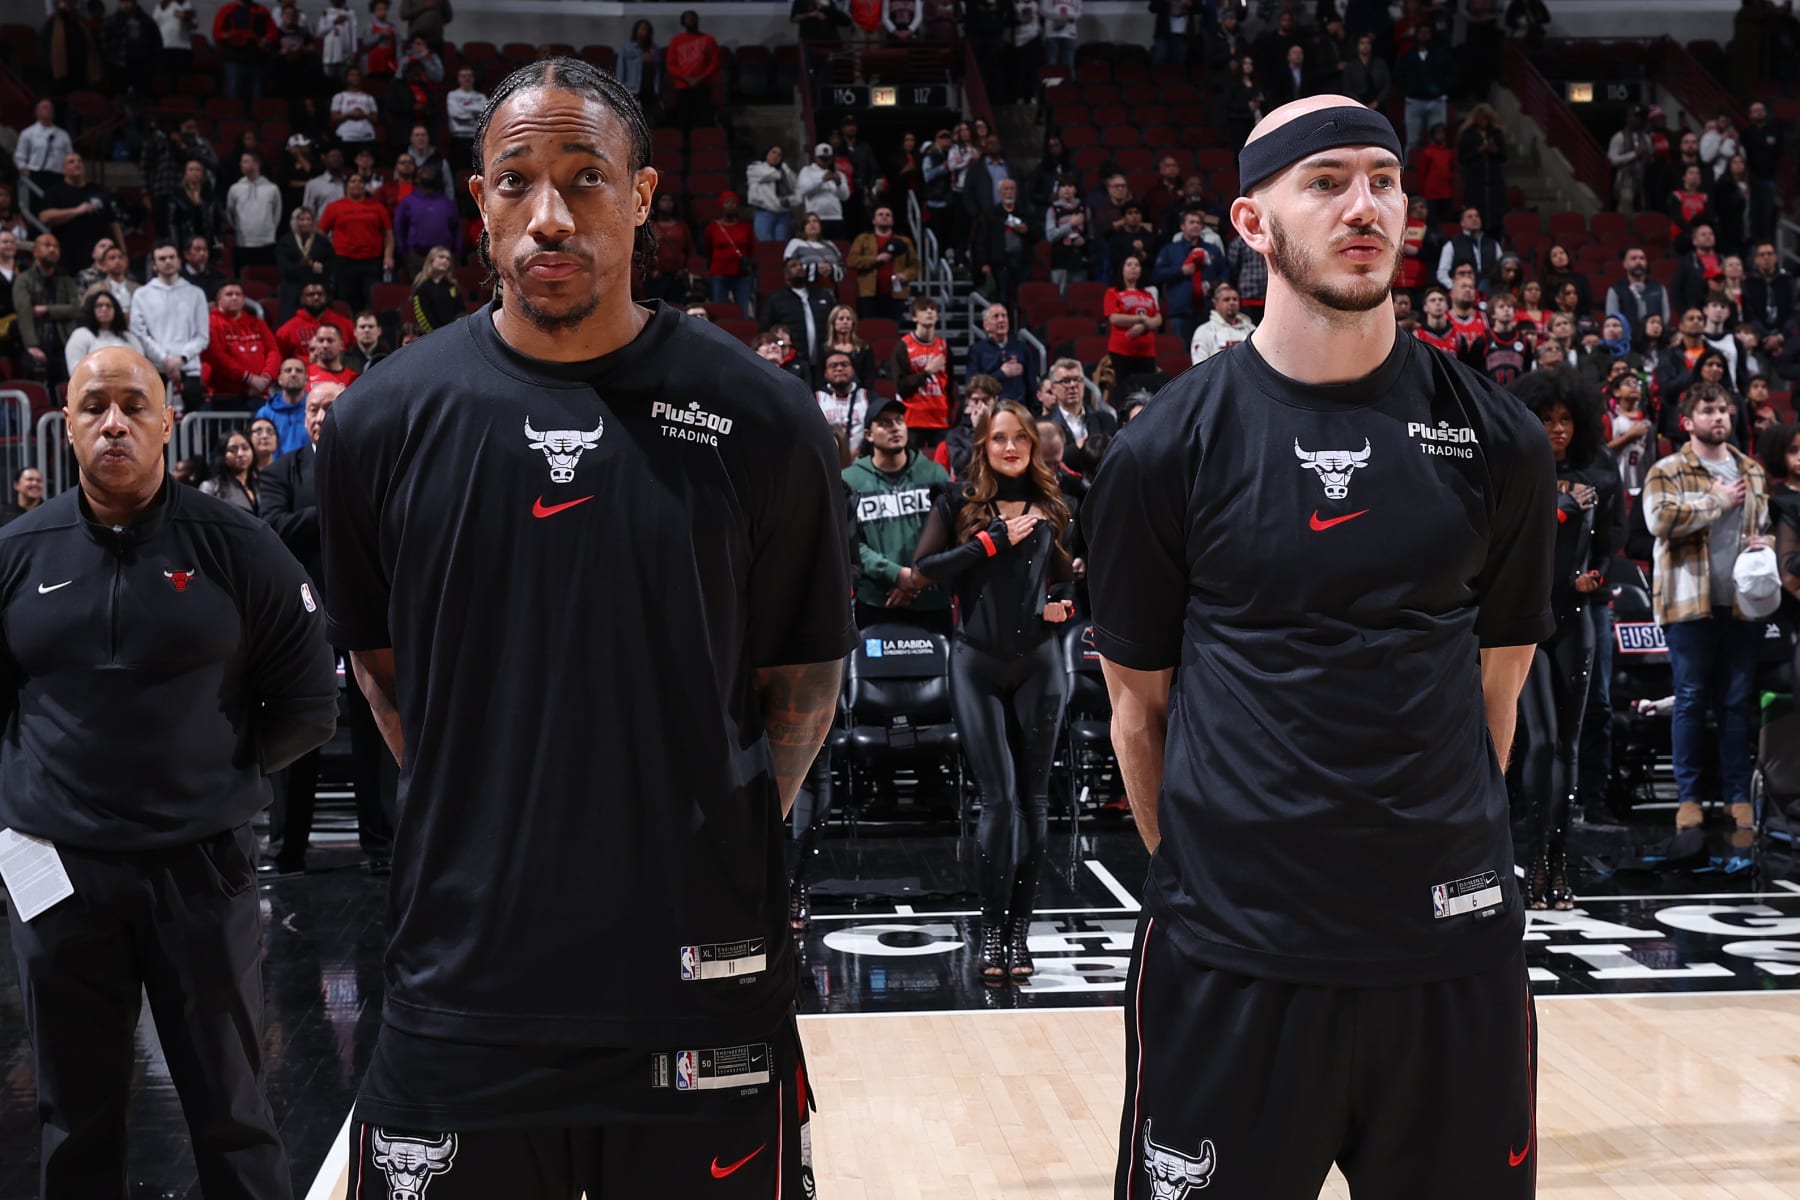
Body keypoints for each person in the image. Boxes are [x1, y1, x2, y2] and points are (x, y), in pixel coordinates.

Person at [315, 57, 851, 1198]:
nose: (549, 214)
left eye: (586, 177)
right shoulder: (379, 424)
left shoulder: (762, 417)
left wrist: (691, 824)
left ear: (645, 194)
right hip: (461, 987)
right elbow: (387, 680)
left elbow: (798, 694)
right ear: (480, 200)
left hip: (696, 986)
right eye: (517, 181)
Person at [1084, 96, 1553, 1199]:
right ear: (1253, 222)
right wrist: (1214, 885)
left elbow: (1500, 689)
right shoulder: (1162, 451)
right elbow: (1139, 712)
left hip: (1450, 962)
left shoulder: (1498, 439)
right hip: (1232, 967)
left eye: (1385, 181)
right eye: (1328, 180)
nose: (1366, 207)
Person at [0, 345, 336, 1200]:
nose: (114, 422)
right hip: (58, 877)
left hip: (200, 868)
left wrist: (211, 779)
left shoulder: (240, 547)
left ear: (168, 419)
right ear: (67, 425)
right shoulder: (17, 553)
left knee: (232, 1108)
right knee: (74, 1119)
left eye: (133, 405)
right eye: (93, 407)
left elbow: (308, 704)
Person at [911, 399, 1074, 981]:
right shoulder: (957, 501)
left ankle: (1018, 939)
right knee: (998, 800)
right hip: (975, 663)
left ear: (1033, 446)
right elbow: (923, 570)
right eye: (1000, 438)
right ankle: (988, 937)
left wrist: (1067, 603)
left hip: (1041, 663)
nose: (1010, 448)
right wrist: (990, 542)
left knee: (1032, 801)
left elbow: (1070, 575)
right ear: (983, 444)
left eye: (1021, 439)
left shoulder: (1054, 505)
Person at [261, 379, 395, 875]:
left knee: (376, 727)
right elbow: (273, 528)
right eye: (314, 407)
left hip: (368, 609)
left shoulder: (379, 467)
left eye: (331, 407)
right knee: (299, 729)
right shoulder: (281, 471)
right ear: (304, 417)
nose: (320, 415)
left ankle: (383, 847)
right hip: (301, 617)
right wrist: (339, 509)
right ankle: (287, 850)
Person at [1642, 380, 1773, 833]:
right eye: (1709, 411)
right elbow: (1660, 520)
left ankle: (1738, 797)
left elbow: (1766, 525)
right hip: (1687, 606)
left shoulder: (1752, 470)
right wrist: (1716, 500)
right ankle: (1690, 799)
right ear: (1687, 421)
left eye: (1725, 411)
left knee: (1737, 705)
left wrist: (1765, 542)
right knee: (1691, 702)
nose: (1720, 417)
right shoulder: (1667, 469)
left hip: (1740, 606)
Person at [1509, 368, 1616, 910]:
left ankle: (1557, 864)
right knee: (1542, 741)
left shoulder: (1601, 472)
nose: (1557, 428)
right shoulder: (1514, 470)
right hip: (1527, 620)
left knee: (1568, 746)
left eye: (1566, 419)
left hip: (1578, 620)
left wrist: (1596, 578)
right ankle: (1531, 862)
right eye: (1547, 419)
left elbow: (1611, 548)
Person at [845, 394, 954, 633]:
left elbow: (950, 535)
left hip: (931, 601)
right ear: (868, 435)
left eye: (899, 421)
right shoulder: (850, 480)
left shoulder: (934, 474)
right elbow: (851, 542)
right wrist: (896, 575)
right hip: (877, 600)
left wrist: (914, 580)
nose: (895, 428)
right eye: (884, 422)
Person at [128, 240, 209, 414]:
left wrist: (181, 358)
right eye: (162, 258)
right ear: (154, 265)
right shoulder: (142, 295)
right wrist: (164, 359)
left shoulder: (196, 293)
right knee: (156, 429)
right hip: (156, 369)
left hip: (189, 369)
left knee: (192, 428)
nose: (167, 262)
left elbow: (202, 336)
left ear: (179, 261)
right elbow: (139, 333)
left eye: (172, 257)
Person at [318, 172, 396, 312]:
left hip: (372, 261)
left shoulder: (377, 207)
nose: (357, 184)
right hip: (344, 261)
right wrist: (328, 254)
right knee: (346, 300)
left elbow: (388, 234)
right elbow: (320, 233)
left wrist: (388, 256)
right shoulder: (334, 207)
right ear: (346, 186)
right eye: (352, 181)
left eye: (360, 181)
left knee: (372, 299)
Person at [38, 153, 125, 277]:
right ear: (63, 169)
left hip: (99, 253)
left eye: (79, 161)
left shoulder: (98, 190)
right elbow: (44, 217)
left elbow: (113, 222)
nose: (76, 164)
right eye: (71, 162)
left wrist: (123, 250)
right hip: (69, 253)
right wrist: (76, 211)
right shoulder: (55, 191)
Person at [892, 295, 954, 450]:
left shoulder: (943, 346)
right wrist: (927, 372)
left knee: (942, 467)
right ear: (914, 317)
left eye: (933, 309)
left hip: (939, 418)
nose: (929, 312)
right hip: (913, 418)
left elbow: (950, 384)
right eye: (924, 309)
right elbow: (901, 387)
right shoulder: (903, 346)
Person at [760, 254, 836, 373]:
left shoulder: (823, 295)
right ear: (785, 274)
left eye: (801, 265)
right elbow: (765, 329)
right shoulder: (776, 299)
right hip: (792, 363)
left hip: (824, 359)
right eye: (793, 266)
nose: (800, 268)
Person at [1044, 356, 1116, 474]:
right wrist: (1076, 448)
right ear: (1053, 388)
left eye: (1077, 379)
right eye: (1066, 381)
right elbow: (1046, 462)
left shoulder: (1106, 420)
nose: (1073, 385)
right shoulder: (1045, 426)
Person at [846, 205, 918, 320]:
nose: (884, 217)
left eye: (888, 215)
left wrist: (906, 275)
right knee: (870, 330)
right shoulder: (862, 239)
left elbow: (915, 265)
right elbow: (852, 261)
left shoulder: (904, 241)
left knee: (893, 330)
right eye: (880, 214)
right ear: (874, 220)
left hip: (896, 294)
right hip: (868, 294)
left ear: (893, 221)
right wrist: (875, 259)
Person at [965, 302, 1037, 408]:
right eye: (996, 316)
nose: (1001, 320)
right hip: (990, 408)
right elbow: (972, 384)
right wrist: (1001, 374)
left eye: (1004, 316)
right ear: (986, 325)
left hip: (1018, 407)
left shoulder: (1021, 348)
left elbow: (1031, 383)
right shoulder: (977, 350)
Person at [1103, 251, 1163, 379]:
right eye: (1129, 264)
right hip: (1121, 351)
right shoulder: (1113, 292)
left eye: (1137, 265)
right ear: (1122, 269)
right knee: (1125, 391)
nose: (1133, 267)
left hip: (1147, 352)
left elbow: (1158, 319)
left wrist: (1144, 326)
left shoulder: (1147, 294)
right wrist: (1142, 319)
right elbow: (1114, 318)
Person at [64, 288, 147, 376]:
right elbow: (75, 371)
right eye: (99, 306)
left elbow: (142, 368)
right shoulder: (81, 335)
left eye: (108, 305)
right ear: (92, 309)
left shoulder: (129, 337)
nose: (104, 309)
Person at [665, 9, 721, 131]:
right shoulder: (676, 40)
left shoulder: (708, 39)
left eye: (693, 17)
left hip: (703, 86)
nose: (690, 20)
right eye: (687, 18)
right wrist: (686, 78)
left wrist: (701, 78)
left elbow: (715, 63)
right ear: (683, 22)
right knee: (683, 121)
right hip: (682, 87)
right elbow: (671, 65)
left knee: (704, 121)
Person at [702, 190, 756, 318]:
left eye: (733, 202)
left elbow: (752, 250)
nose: (731, 205)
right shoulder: (713, 228)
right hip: (720, 271)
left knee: (743, 308)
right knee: (719, 309)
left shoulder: (746, 227)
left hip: (742, 273)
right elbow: (708, 249)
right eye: (727, 202)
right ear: (721, 205)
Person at [935, 373, 998, 479]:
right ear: (968, 402)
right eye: (976, 400)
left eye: (986, 400)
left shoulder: (1005, 428)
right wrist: (976, 430)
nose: (981, 406)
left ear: (995, 400)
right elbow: (961, 468)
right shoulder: (956, 435)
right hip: (969, 487)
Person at [227, 151, 284, 269]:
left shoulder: (272, 189)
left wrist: (269, 230)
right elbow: (230, 213)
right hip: (243, 242)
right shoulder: (235, 188)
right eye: (241, 161)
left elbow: (276, 214)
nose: (241, 164)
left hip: (266, 242)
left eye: (245, 161)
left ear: (256, 164)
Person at [814, 349, 870, 466]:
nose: (839, 369)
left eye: (844, 365)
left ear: (853, 370)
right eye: (833, 366)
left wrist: (859, 451)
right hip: (826, 462)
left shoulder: (867, 397)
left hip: (862, 461)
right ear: (825, 373)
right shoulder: (815, 399)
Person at [279, 205, 338, 315]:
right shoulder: (285, 241)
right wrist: (306, 266)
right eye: (302, 219)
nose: (305, 223)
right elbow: (284, 267)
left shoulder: (322, 242)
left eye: (308, 219)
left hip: (317, 285)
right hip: (293, 287)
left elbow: (332, 263)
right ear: (295, 221)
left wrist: (322, 268)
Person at [276, 280, 356, 361]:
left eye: (320, 294)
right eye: (311, 294)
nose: (316, 297)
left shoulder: (346, 324)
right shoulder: (287, 330)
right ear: (302, 299)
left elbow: (355, 354)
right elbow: (280, 359)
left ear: (326, 297)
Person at [1436, 205, 1503, 289]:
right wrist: (1455, 288)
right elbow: (1442, 273)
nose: (1474, 219)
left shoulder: (1493, 244)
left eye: (1477, 216)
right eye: (1470, 217)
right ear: (1462, 223)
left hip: (1491, 291)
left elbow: (1501, 270)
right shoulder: (1452, 245)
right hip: (1463, 289)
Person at [1605, 246, 1671, 330]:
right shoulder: (1615, 290)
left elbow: (1665, 319)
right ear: (1625, 264)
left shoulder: (1659, 288)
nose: (1638, 262)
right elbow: (1612, 322)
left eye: (1642, 258)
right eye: (1633, 259)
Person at [14, 100, 74, 192]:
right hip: (36, 173)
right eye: (44, 108)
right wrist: (23, 168)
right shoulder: (28, 133)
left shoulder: (63, 134)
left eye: (51, 108)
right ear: (36, 112)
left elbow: (70, 155)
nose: (48, 110)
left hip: (57, 175)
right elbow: (20, 155)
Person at [1188, 281, 1256, 363]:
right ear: (1216, 303)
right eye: (1226, 300)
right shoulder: (1203, 331)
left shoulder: (1251, 329)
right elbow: (1199, 367)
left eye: (1235, 299)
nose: (1232, 302)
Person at [746, 145, 800, 246]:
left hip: (783, 213)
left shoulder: (785, 170)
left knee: (782, 245)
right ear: (767, 153)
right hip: (764, 213)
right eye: (773, 152)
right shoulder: (755, 168)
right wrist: (783, 172)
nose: (776, 156)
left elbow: (795, 185)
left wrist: (786, 170)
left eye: (779, 154)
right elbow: (771, 175)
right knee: (766, 245)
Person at [797, 142, 852, 240]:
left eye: (827, 159)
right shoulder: (807, 171)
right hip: (816, 218)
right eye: (822, 158)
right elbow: (803, 190)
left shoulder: (838, 174)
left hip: (835, 217)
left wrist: (839, 183)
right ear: (816, 157)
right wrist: (822, 180)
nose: (824, 161)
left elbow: (845, 197)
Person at [258, 357, 312, 456]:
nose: (293, 374)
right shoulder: (265, 413)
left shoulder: (314, 411)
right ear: (280, 379)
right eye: (288, 370)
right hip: (275, 469)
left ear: (306, 379)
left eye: (299, 371)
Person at [199, 428, 261, 512]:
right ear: (223, 456)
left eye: (245, 448)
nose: (240, 454)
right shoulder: (211, 488)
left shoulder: (261, 484)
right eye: (232, 450)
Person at [821, 303, 876, 388]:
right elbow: (820, 378)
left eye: (848, 319)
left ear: (853, 323)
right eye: (841, 319)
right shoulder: (824, 349)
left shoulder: (864, 348)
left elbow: (869, 376)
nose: (845, 322)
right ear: (833, 323)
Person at [616, 19, 661, 117]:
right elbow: (621, 71)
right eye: (641, 29)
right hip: (632, 90)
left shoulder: (654, 50)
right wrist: (622, 90)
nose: (643, 32)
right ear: (636, 31)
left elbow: (658, 73)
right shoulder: (626, 48)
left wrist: (657, 92)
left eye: (646, 30)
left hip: (650, 92)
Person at [446, 66, 489, 169]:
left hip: (476, 140)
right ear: (459, 79)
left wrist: (465, 108)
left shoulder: (481, 97)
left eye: (469, 76)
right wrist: (475, 112)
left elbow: (486, 113)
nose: (467, 79)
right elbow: (456, 113)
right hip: (458, 140)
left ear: (473, 78)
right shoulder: (453, 95)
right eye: (463, 76)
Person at [307, 323, 358, 388]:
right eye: (321, 340)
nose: (325, 345)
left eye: (330, 340)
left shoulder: (354, 378)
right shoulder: (304, 375)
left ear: (341, 345)